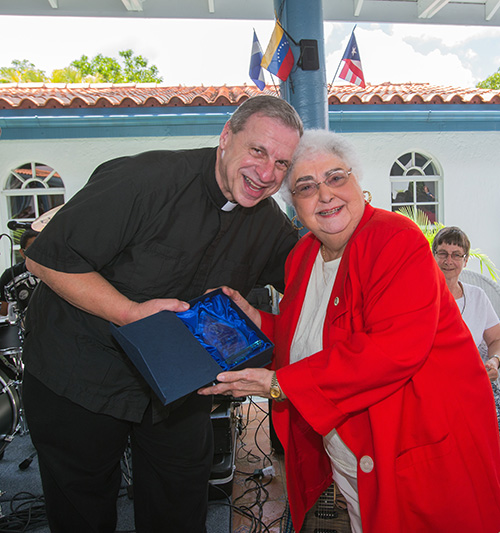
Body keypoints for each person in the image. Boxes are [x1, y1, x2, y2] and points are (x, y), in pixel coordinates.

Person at [21, 95, 303, 533]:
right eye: (258, 151)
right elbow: (44, 258)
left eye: (282, 163)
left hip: (176, 390)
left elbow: (313, 280)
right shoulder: (144, 179)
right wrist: (128, 311)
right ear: (226, 137)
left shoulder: (268, 223)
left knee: (180, 507)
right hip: (77, 373)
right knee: (83, 511)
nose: (266, 174)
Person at [199, 129, 500, 533]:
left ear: (358, 182)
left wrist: (277, 384)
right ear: (294, 207)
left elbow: (394, 349)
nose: (324, 194)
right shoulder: (303, 257)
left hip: (417, 446)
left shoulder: (397, 239)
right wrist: (254, 318)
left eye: (336, 177)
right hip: (353, 452)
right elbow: (305, 335)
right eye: (306, 186)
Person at [432, 226, 500, 426]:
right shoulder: (420, 297)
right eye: (442, 253)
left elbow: (496, 339)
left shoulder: (478, 296)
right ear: (433, 255)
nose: (448, 261)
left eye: (456, 255)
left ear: (466, 260)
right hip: (434, 392)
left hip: (475, 388)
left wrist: (495, 360)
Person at [0, 228, 39, 316]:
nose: (38, 252)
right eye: (32, 248)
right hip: (24, 325)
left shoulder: (57, 271)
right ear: (22, 252)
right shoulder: (10, 274)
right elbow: (3, 311)